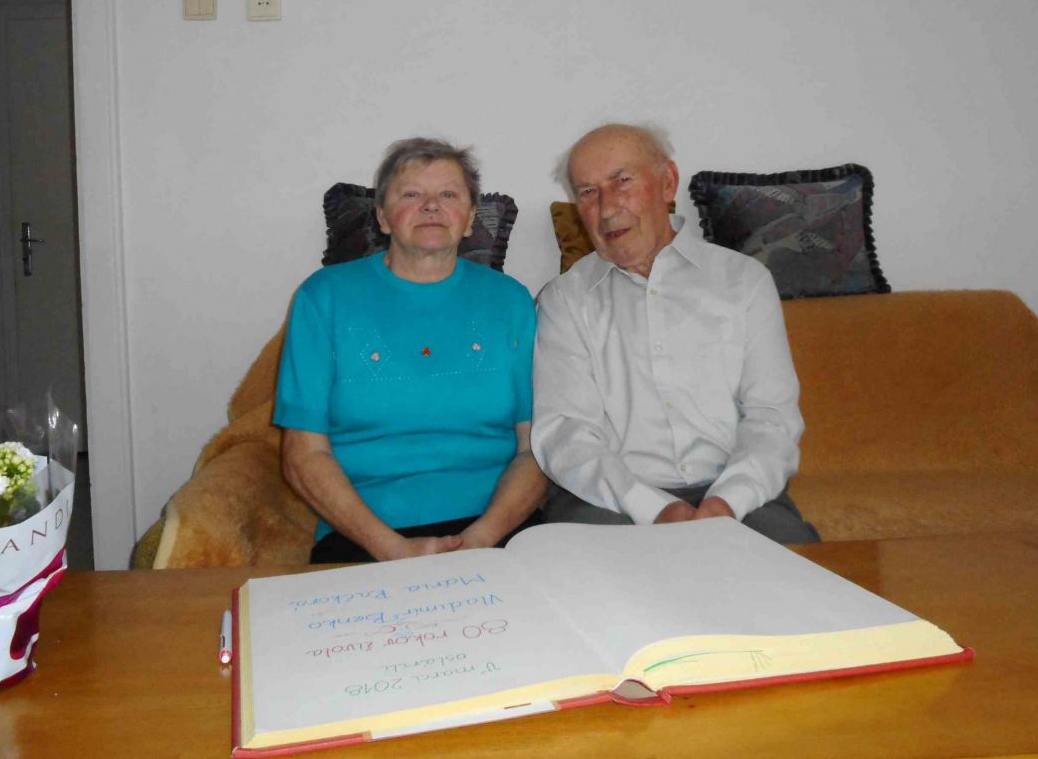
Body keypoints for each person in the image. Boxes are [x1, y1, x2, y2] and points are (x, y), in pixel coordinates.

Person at [530, 123, 818, 543]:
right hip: (610, 500)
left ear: (667, 183)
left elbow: (772, 417)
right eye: (588, 192)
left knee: (799, 569)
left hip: (735, 491)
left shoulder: (744, 281)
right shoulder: (565, 299)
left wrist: (727, 502)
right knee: (587, 572)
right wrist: (653, 507)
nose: (607, 208)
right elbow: (565, 433)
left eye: (622, 181)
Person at [275, 137, 545, 562]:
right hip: (365, 532)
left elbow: (536, 450)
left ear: (470, 217)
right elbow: (304, 454)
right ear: (383, 217)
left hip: (498, 525)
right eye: (411, 194)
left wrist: (478, 540)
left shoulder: (512, 302)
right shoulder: (323, 298)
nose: (431, 206)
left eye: (449, 195)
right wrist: (391, 548)